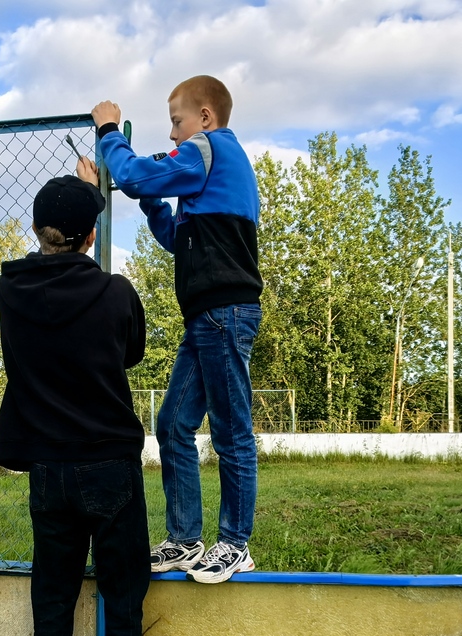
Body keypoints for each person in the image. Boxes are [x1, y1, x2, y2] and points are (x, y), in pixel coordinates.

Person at [0, 174, 160, 636]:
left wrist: (82, 201)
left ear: (37, 230)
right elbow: (130, 352)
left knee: (53, 598)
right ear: (92, 236)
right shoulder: (115, 293)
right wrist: (100, 192)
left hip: (49, 470)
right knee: (123, 596)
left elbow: (53, 280)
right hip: (109, 464)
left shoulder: (9, 291)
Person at [87, 75, 263, 584]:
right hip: (206, 318)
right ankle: (186, 539)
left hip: (225, 313)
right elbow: (172, 235)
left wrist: (109, 132)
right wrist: (150, 199)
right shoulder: (207, 171)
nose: (172, 135)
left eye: (176, 122)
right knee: (172, 424)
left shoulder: (209, 148)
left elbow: (140, 174)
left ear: (205, 118)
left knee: (232, 431)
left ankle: (235, 543)